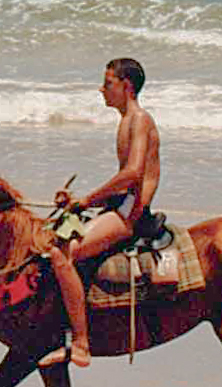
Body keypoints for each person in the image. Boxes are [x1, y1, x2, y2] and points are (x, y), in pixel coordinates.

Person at [43, 56, 160, 369]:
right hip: (119, 207)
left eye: (107, 83)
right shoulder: (126, 121)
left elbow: (133, 174)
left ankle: (81, 344)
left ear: (127, 86)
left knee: (60, 253)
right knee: (51, 236)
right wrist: (79, 202)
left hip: (130, 215)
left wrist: (87, 200)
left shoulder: (140, 120)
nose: (101, 89)